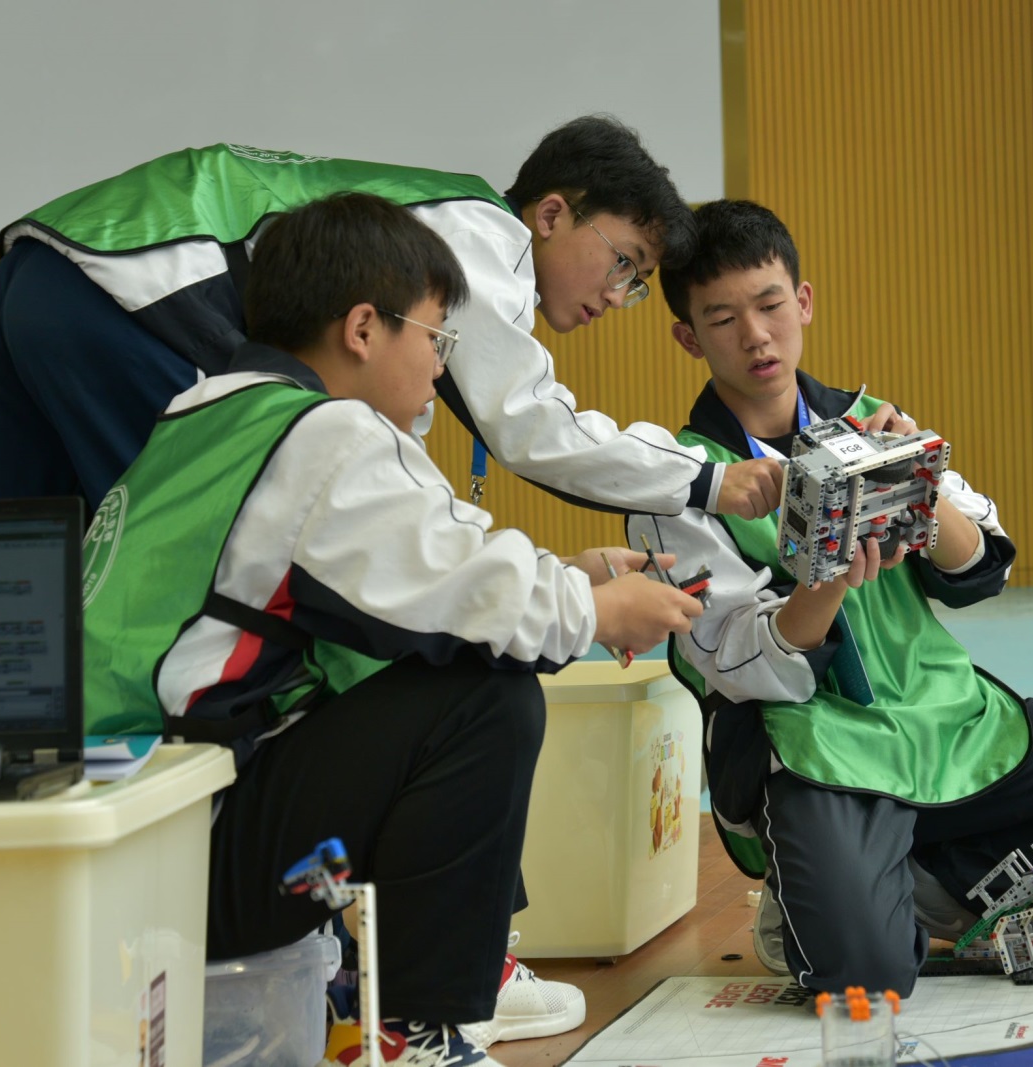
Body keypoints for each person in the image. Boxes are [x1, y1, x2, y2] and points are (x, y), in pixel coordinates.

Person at [79, 191, 704, 1067]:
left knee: (437, 660)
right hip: (186, 862)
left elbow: (416, 584)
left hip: (118, 848)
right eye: (437, 338)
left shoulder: (208, 411)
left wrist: (569, 576)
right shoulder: (325, 433)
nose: (439, 369)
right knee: (484, 701)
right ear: (365, 328)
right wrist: (595, 611)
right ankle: (416, 1029)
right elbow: (469, 591)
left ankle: (375, 997)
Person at [627, 199, 1033, 997]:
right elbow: (740, 667)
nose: (757, 336)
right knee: (862, 976)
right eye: (723, 319)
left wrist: (919, 479)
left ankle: (924, 876)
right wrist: (825, 577)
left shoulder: (874, 422)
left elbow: (983, 568)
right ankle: (829, 893)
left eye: (770, 305)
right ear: (688, 338)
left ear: (804, 301)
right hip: (819, 751)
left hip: (947, 722)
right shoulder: (680, 481)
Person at [0, 117, 783, 520]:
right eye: (625, 262)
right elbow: (532, 426)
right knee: (181, 559)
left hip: (42, 269)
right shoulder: (482, 235)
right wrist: (708, 479)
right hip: (137, 293)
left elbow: (389, 453)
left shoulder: (422, 239)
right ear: (553, 213)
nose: (618, 294)